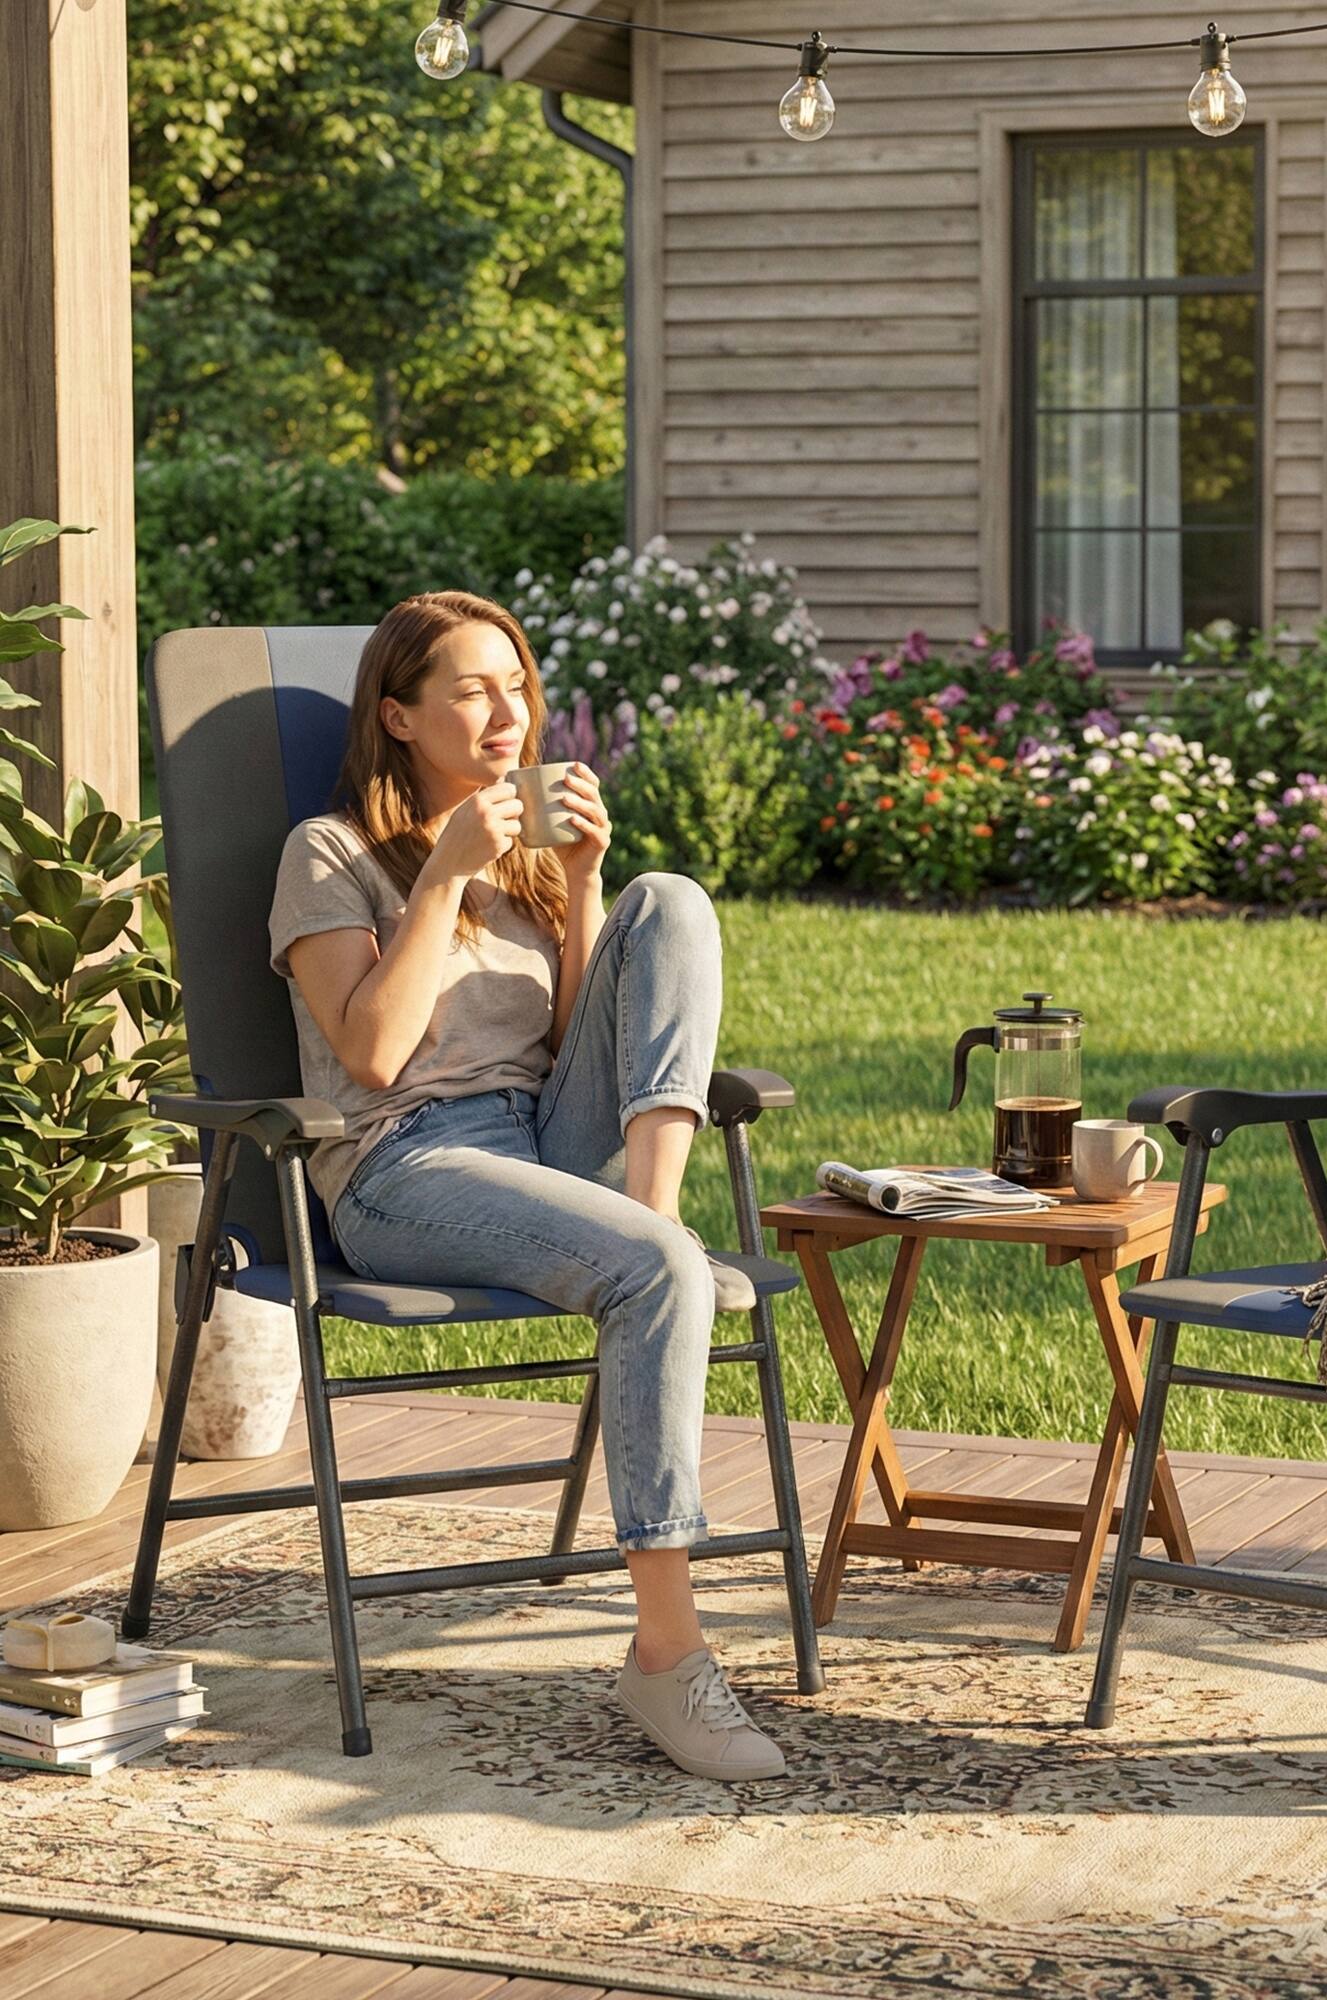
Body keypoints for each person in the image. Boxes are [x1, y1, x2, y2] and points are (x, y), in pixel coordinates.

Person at [268, 589, 785, 1781]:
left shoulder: (527, 853)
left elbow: (569, 1043)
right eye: (472, 689)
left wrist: (582, 877)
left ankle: (650, 1233)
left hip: (544, 1142)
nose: (509, 712)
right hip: (406, 1165)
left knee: (673, 900)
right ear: (398, 714)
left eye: (518, 686)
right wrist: (446, 871)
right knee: (656, 1276)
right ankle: (666, 1648)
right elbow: (373, 1055)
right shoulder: (328, 852)